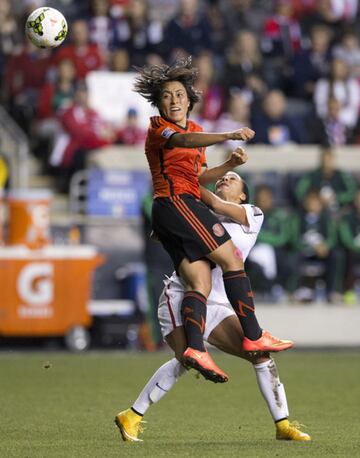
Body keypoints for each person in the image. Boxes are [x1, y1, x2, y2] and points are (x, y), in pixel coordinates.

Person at [115, 172, 310, 442]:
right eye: (222, 178)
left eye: (232, 178)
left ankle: (283, 425)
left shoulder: (252, 213)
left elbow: (217, 205)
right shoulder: (197, 215)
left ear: (243, 194)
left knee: (262, 356)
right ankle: (132, 416)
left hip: (218, 304)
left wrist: (186, 183)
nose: (224, 180)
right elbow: (158, 236)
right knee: (186, 359)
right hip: (181, 295)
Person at [133, 56, 293, 384]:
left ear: (189, 99)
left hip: (180, 206)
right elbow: (182, 142)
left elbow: (200, 175)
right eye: (166, 96)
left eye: (179, 94)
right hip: (176, 203)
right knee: (232, 257)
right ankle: (253, 333)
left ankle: (195, 348)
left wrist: (229, 163)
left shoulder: (195, 130)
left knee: (200, 283)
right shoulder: (158, 128)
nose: (173, 100)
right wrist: (228, 135)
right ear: (159, 103)